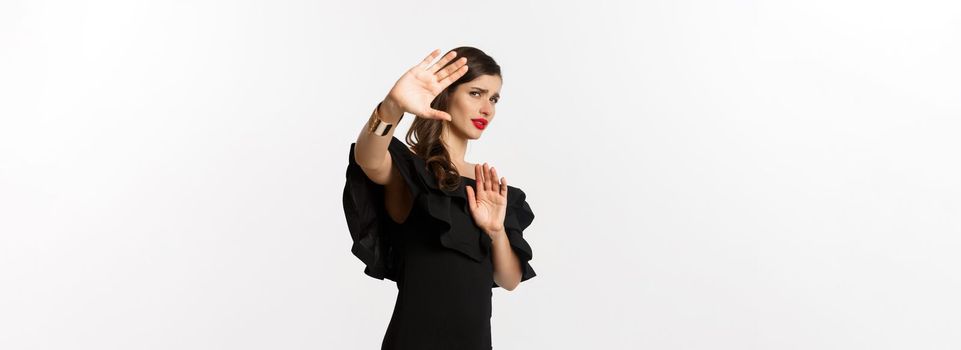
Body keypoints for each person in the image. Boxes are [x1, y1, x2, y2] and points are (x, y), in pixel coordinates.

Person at [342, 46, 537, 349]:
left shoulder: (489, 188)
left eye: (494, 98)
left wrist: (496, 231)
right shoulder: (409, 170)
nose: (487, 108)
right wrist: (392, 106)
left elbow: (509, 279)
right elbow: (368, 157)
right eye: (476, 93)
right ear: (446, 94)